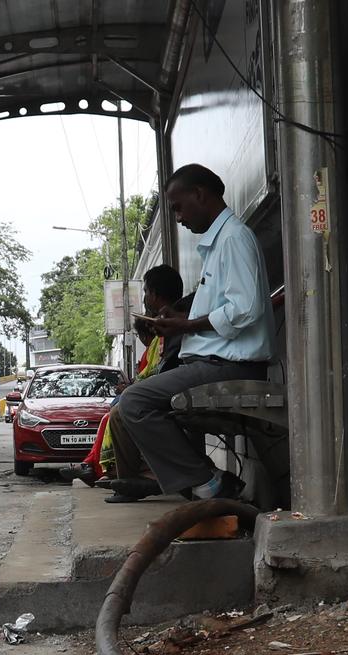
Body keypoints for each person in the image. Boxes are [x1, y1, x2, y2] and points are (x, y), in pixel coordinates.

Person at [112, 164, 274, 502]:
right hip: (212, 362)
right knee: (136, 401)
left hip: (230, 366)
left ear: (200, 194)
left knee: (135, 402)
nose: (178, 218)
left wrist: (185, 325)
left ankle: (206, 482)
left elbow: (245, 308)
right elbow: (224, 307)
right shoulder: (220, 244)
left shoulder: (233, 239)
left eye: (178, 207)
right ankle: (202, 481)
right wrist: (181, 318)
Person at [60, 264, 186, 493]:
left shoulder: (174, 324)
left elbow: (165, 368)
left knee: (122, 408)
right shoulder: (168, 323)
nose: (145, 298)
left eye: (147, 292)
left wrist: (135, 387)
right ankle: (118, 474)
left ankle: (128, 475)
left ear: (156, 294)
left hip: (180, 386)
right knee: (119, 407)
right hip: (172, 383)